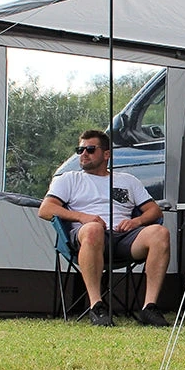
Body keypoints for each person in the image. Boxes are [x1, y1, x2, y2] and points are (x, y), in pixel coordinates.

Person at [38, 130, 170, 326]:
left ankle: (149, 307)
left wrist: (136, 221)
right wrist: (83, 217)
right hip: (86, 236)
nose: (84, 154)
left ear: (106, 154)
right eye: (80, 150)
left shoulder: (128, 180)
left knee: (160, 233)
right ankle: (96, 306)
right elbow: (45, 209)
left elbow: (154, 211)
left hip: (124, 237)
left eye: (90, 149)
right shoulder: (69, 179)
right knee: (94, 229)